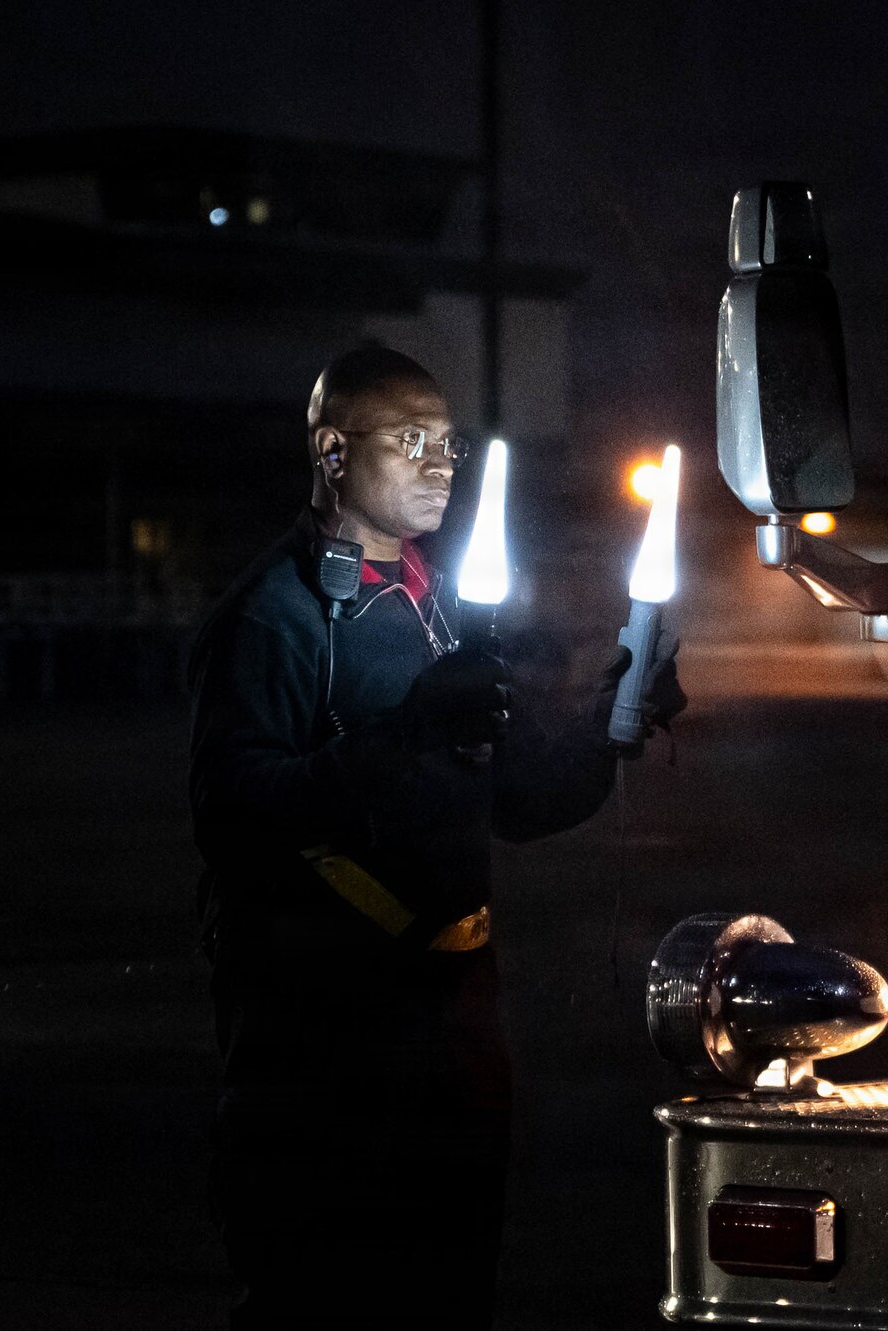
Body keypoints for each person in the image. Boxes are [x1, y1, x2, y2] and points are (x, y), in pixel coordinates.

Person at [188, 345, 684, 1328]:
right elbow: (235, 812)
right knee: (315, 1295)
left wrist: (603, 727)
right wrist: (407, 732)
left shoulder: (433, 602)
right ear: (332, 452)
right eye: (408, 440)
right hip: (320, 1033)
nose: (440, 464)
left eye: (448, 443)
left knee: (452, 1286)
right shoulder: (274, 618)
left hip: (452, 1018)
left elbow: (509, 800)